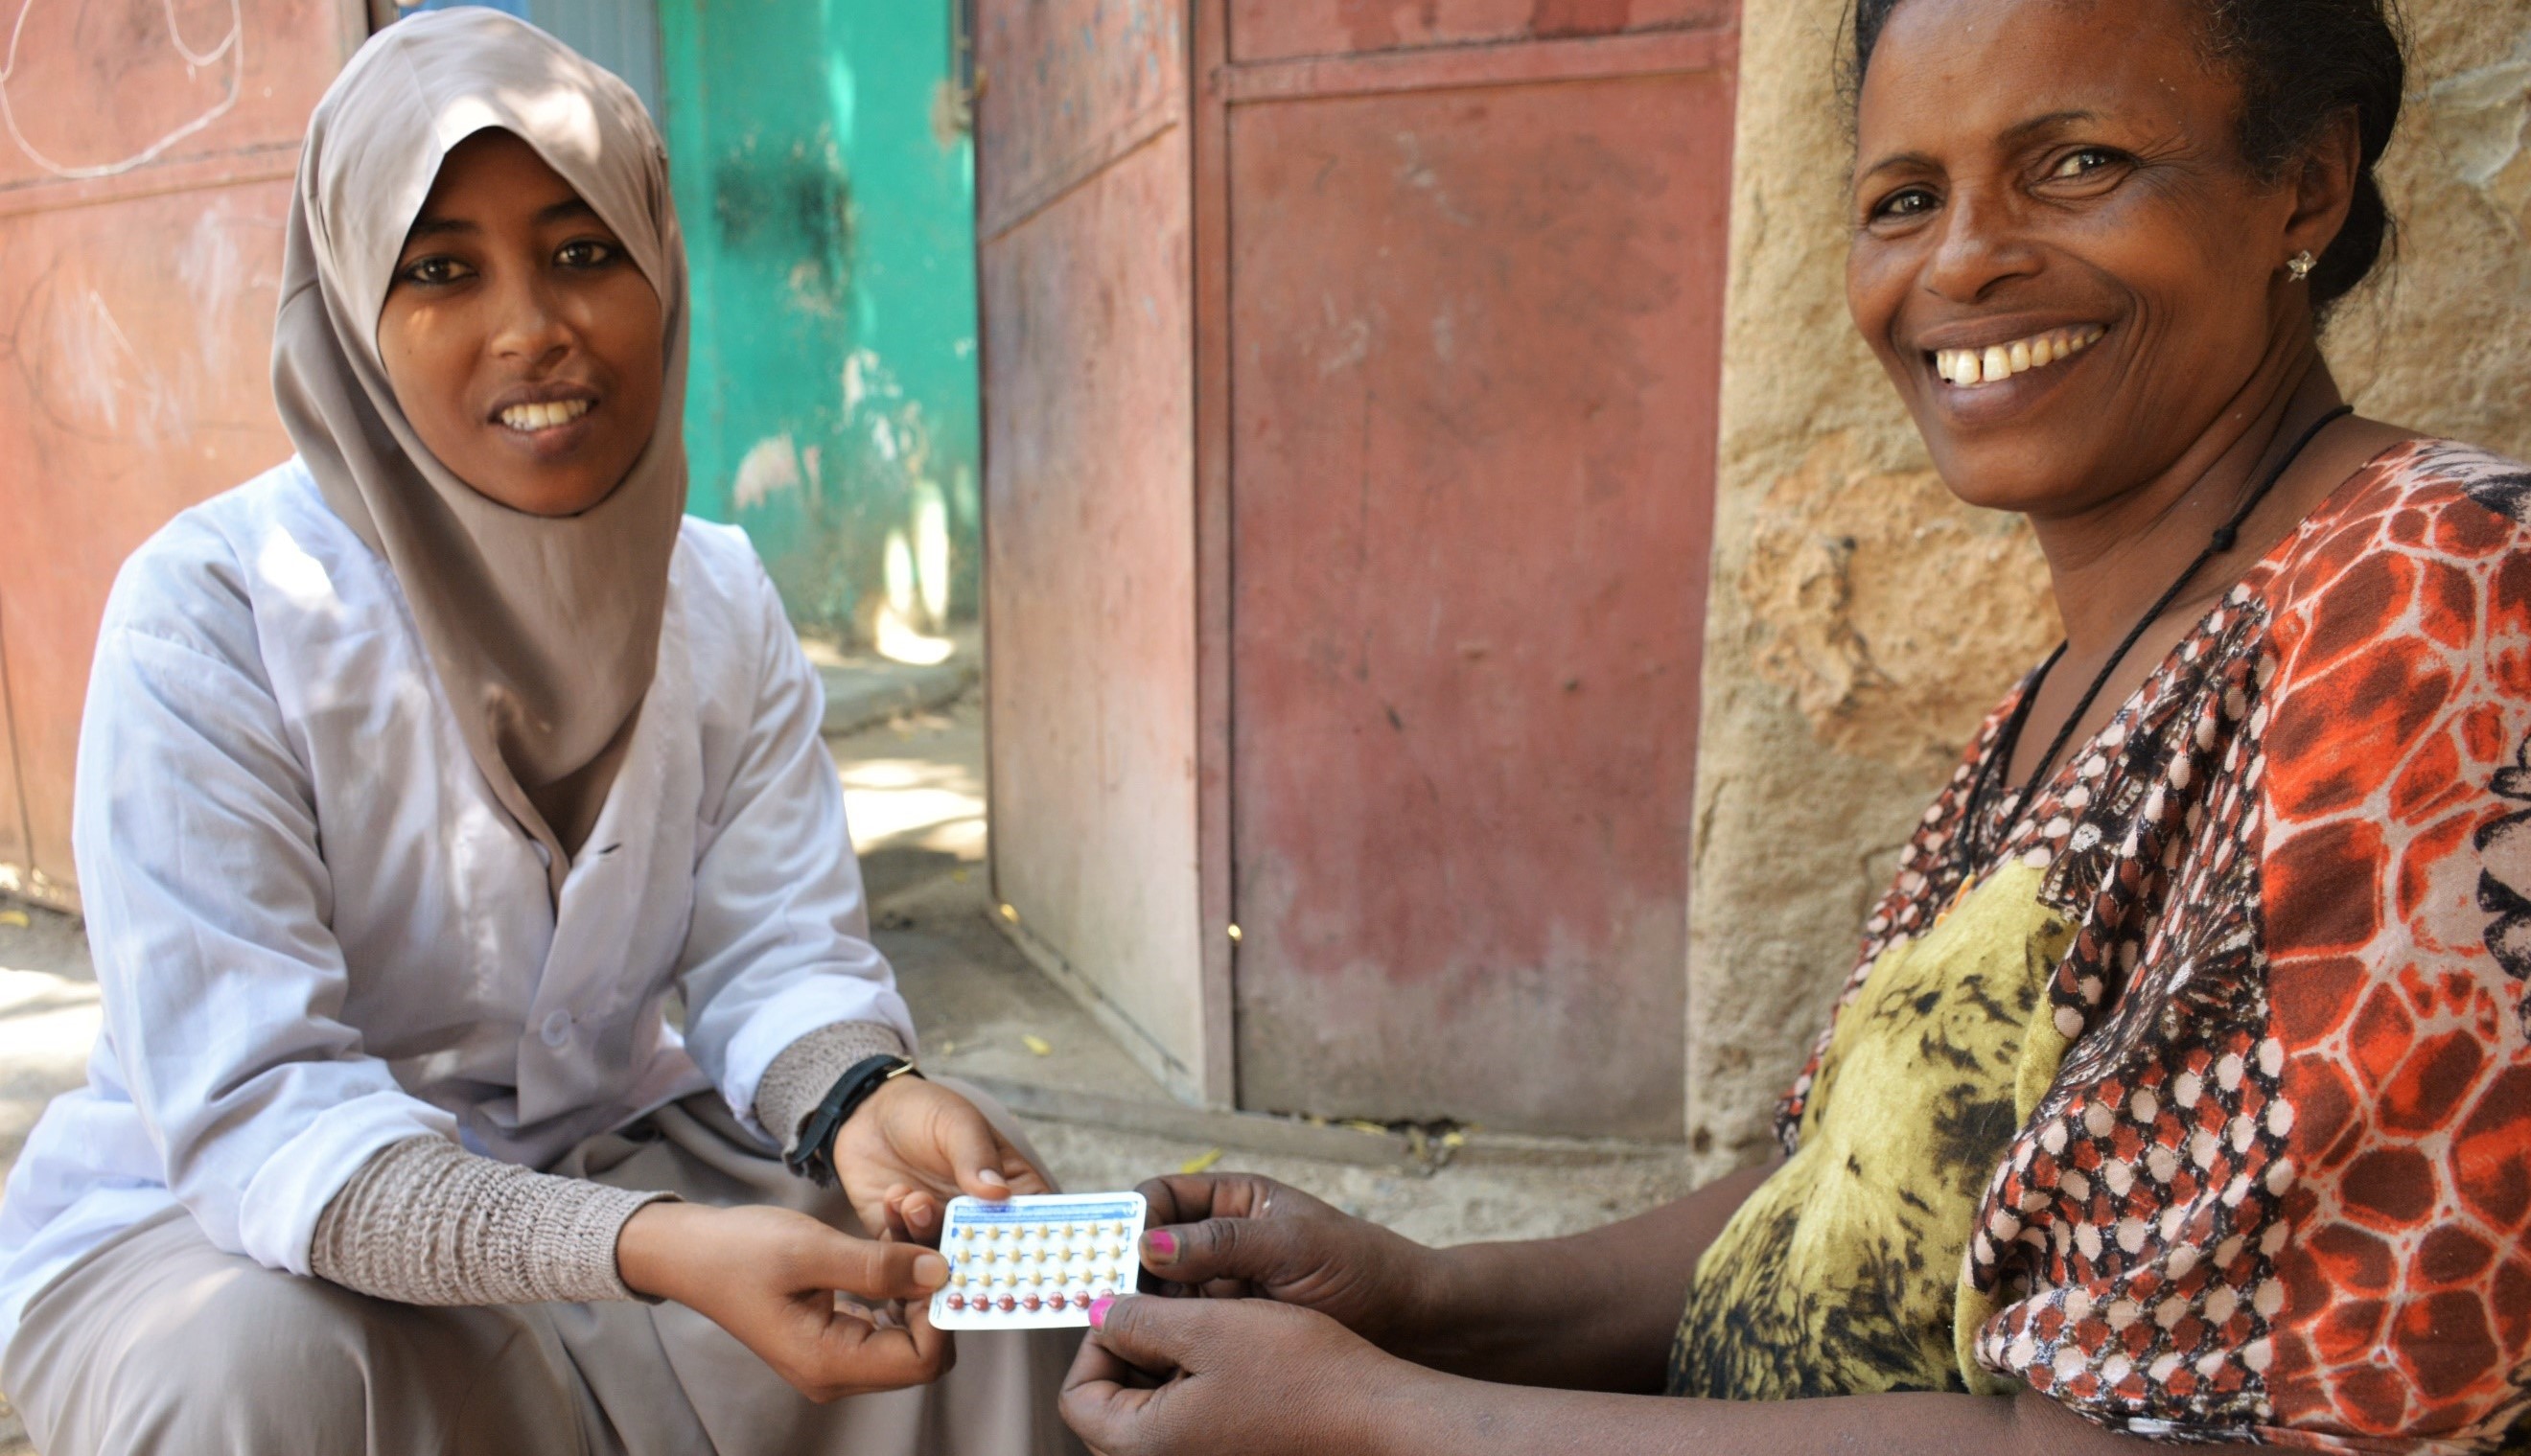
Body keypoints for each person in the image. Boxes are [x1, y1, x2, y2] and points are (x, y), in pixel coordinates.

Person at [1056, 0, 2531, 1451]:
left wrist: (1384, 1419)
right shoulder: (2082, 685)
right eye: (1904, 197)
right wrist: (1421, 1298)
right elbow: (1818, 1201)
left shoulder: (2434, 602)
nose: (1960, 260)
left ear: (2309, 183)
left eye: (2077, 163)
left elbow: (2165, 1437)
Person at [0, 12, 1082, 1453]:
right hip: (244, 1220)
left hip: (621, 1160)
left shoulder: (717, 595)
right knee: (262, 1376)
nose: (534, 327)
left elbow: (774, 954)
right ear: (347, 315)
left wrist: (861, 1097)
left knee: (996, 1278)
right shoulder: (213, 614)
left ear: (662, 272)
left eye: (584, 252)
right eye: (441, 270)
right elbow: (259, 1116)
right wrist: (634, 1248)